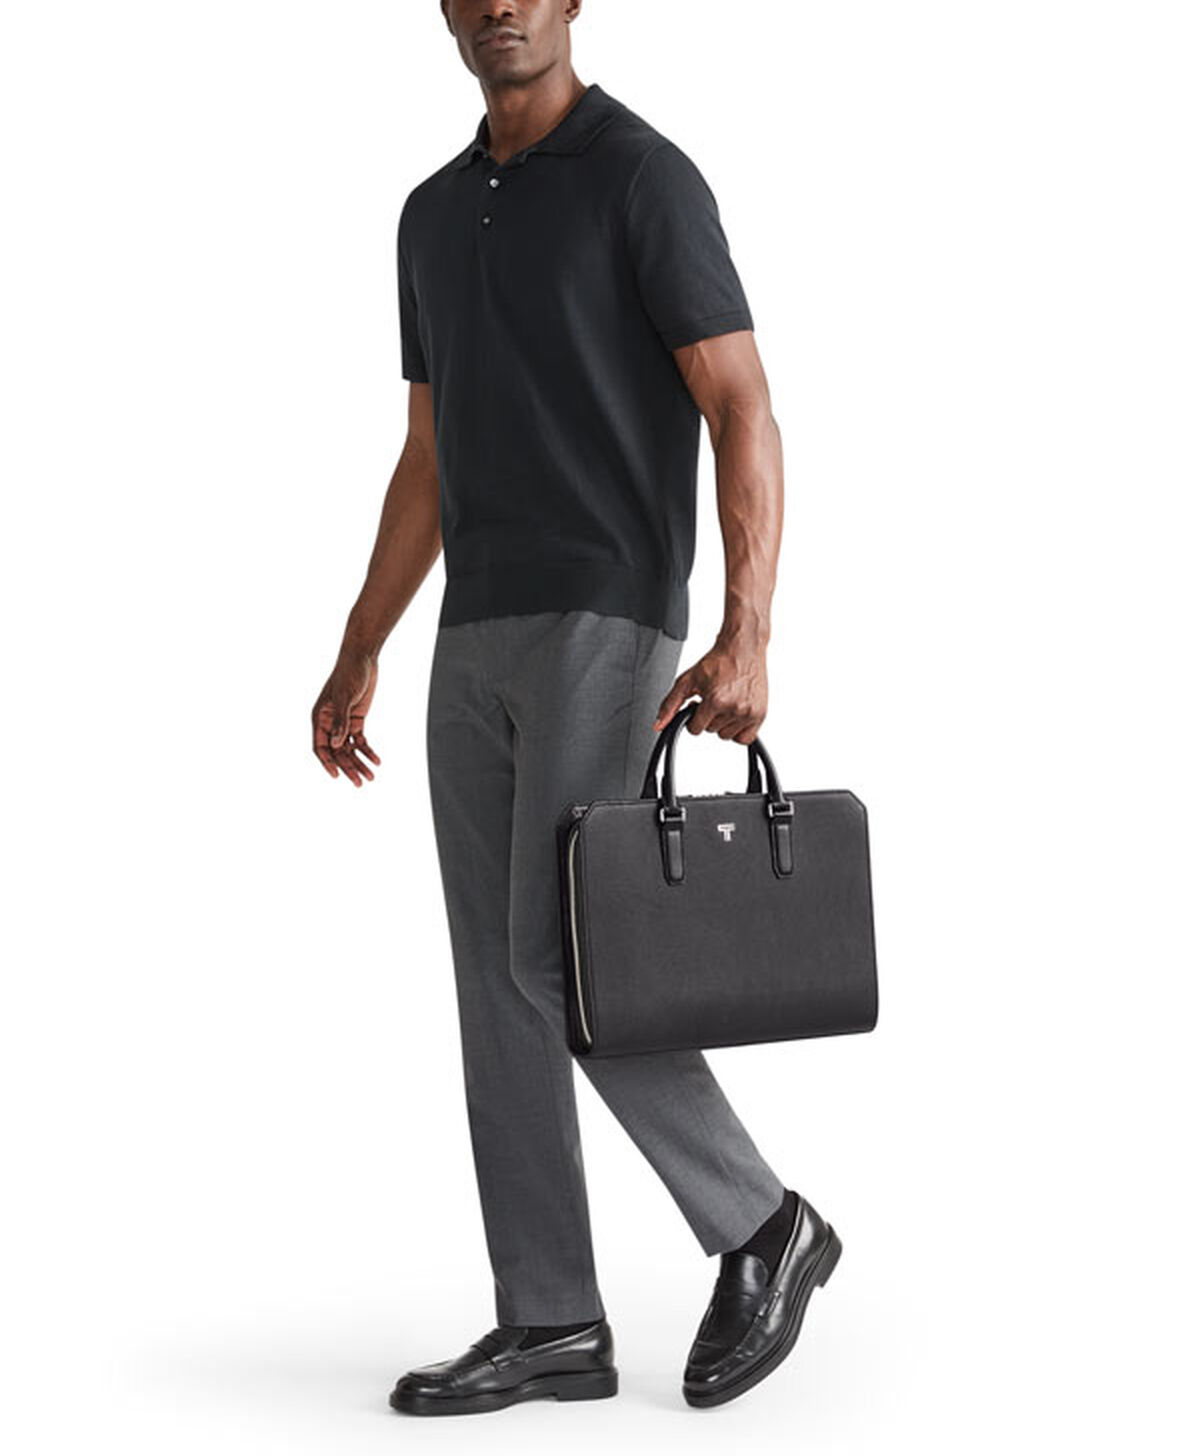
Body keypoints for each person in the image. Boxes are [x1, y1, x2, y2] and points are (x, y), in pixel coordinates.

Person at [310, 0, 842, 1415]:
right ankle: (548, 1318)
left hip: (607, 610)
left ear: (570, 3)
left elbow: (742, 403)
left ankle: (762, 1222)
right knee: (496, 976)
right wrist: (360, 643)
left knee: (564, 958)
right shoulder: (430, 216)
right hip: (473, 626)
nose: (500, 4)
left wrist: (748, 632)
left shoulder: (643, 177)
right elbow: (428, 451)